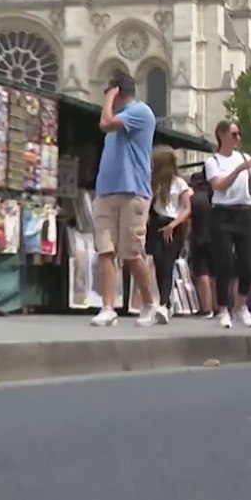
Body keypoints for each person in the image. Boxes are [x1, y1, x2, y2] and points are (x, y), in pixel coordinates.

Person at [89, 74, 161, 327]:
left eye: (108, 93)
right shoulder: (119, 118)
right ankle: (108, 307)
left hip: (133, 191)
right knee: (105, 250)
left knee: (131, 253)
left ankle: (151, 303)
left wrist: (108, 97)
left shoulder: (141, 112)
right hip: (107, 190)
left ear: (117, 91)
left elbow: (106, 122)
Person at [204, 120, 251, 328]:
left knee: (247, 265)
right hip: (222, 212)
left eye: (239, 134)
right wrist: (239, 170)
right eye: (234, 134)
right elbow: (219, 185)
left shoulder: (244, 157)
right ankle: (223, 309)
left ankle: (240, 306)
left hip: (243, 212)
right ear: (222, 135)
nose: (238, 138)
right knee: (225, 263)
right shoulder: (213, 161)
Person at [146, 145, 191, 319]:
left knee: (168, 262)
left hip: (173, 224)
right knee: (158, 261)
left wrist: (174, 224)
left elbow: (187, 208)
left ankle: (164, 303)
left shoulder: (180, 184)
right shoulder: (153, 183)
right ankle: (165, 300)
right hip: (157, 222)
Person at [187, 171, 215, 317]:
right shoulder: (215, 198)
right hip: (216, 239)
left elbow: (189, 222)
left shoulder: (193, 199)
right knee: (215, 274)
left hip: (199, 238)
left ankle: (206, 307)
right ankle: (218, 307)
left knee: (202, 273)